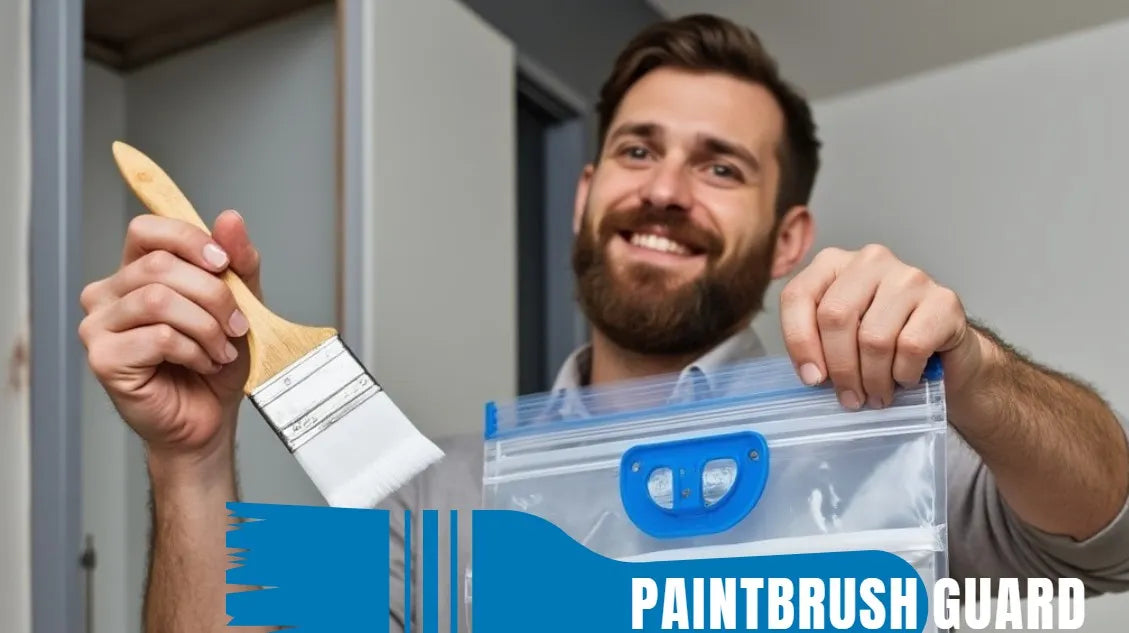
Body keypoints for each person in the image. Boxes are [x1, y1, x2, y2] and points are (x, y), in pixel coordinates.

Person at [80, 13, 1129, 633]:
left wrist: (979, 371)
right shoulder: (432, 494)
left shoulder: (891, 449)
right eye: (637, 152)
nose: (664, 190)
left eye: (721, 168)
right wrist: (192, 462)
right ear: (584, 195)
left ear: (787, 235)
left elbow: (1106, 534)